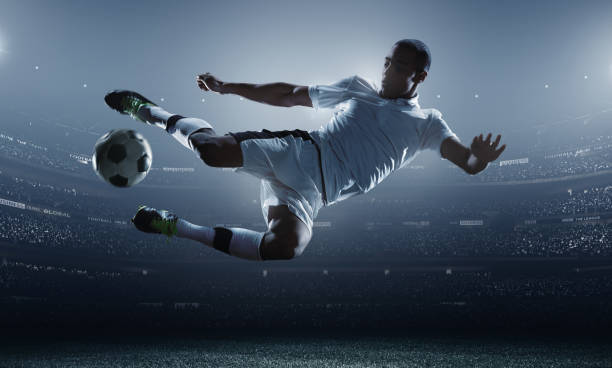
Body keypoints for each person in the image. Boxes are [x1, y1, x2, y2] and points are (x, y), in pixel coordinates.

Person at [103, 39, 506, 262]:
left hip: (313, 195)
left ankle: (176, 227)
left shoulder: (428, 124)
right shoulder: (358, 89)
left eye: (399, 68)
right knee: (210, 150)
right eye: (388, 62)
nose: (388, 71)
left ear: (420, 77)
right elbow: (288, 95)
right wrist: (227, 87)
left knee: (285, 248)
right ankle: (148, 110)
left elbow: (466, 161)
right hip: (299, 153)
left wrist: (479, 159)